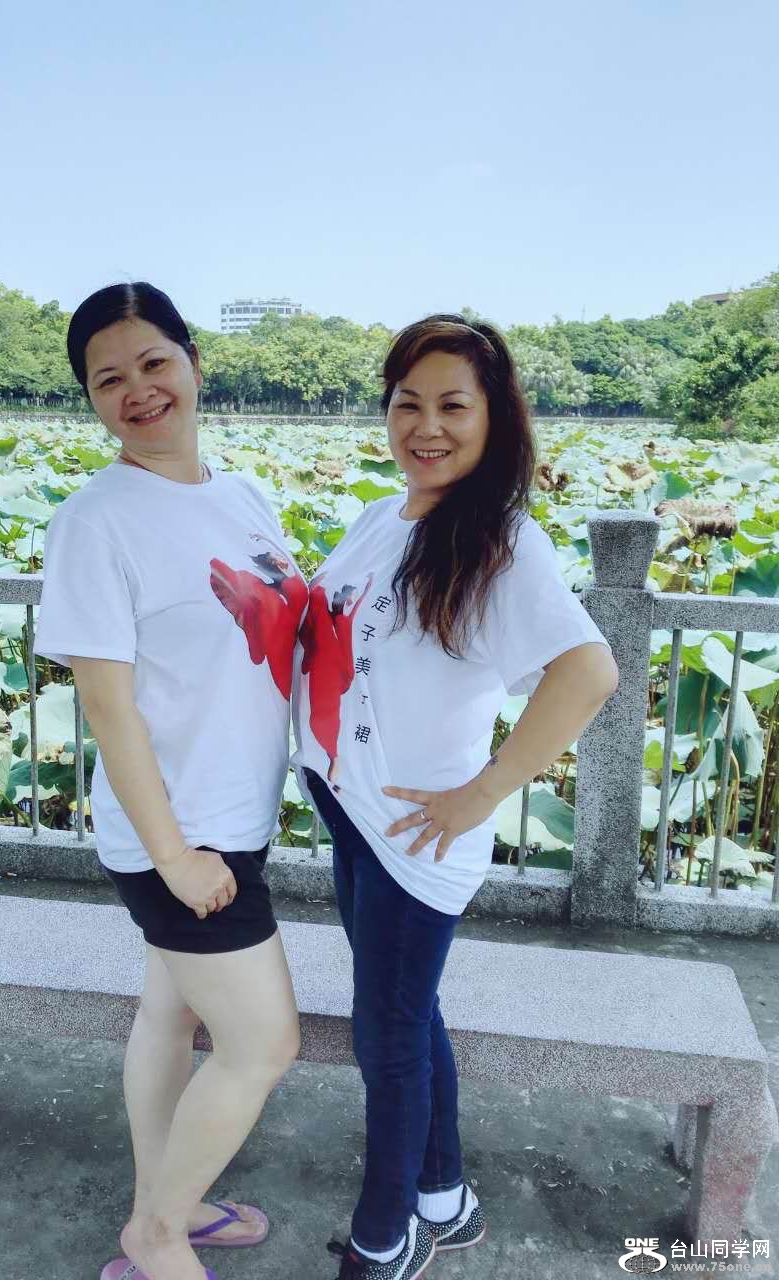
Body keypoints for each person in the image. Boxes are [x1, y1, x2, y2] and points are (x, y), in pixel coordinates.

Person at [291, 314, 619, 1280]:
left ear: (493, 418)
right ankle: (443, 1193)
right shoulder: (384, 516)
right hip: (354, 809)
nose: (426, 427)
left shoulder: (503, 544)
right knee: (408, 1009)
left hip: (418, 835)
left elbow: (589, 671)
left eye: (452, 406)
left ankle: (385, 1236)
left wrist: (484, 793)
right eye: (407, 404)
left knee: (387, 1036)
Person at [32, 282, 306, 1280]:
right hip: (177, 832)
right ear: (91, 400)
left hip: (233, 812)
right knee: (264, 1042)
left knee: (170, 1013)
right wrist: (175, 855)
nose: (138, 389)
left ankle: (169, 1208)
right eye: (109, 379)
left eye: (154, 362)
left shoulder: (240, 495)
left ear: (196, 363)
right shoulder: (95, 521)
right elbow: (109, 709)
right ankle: (154, 1234)